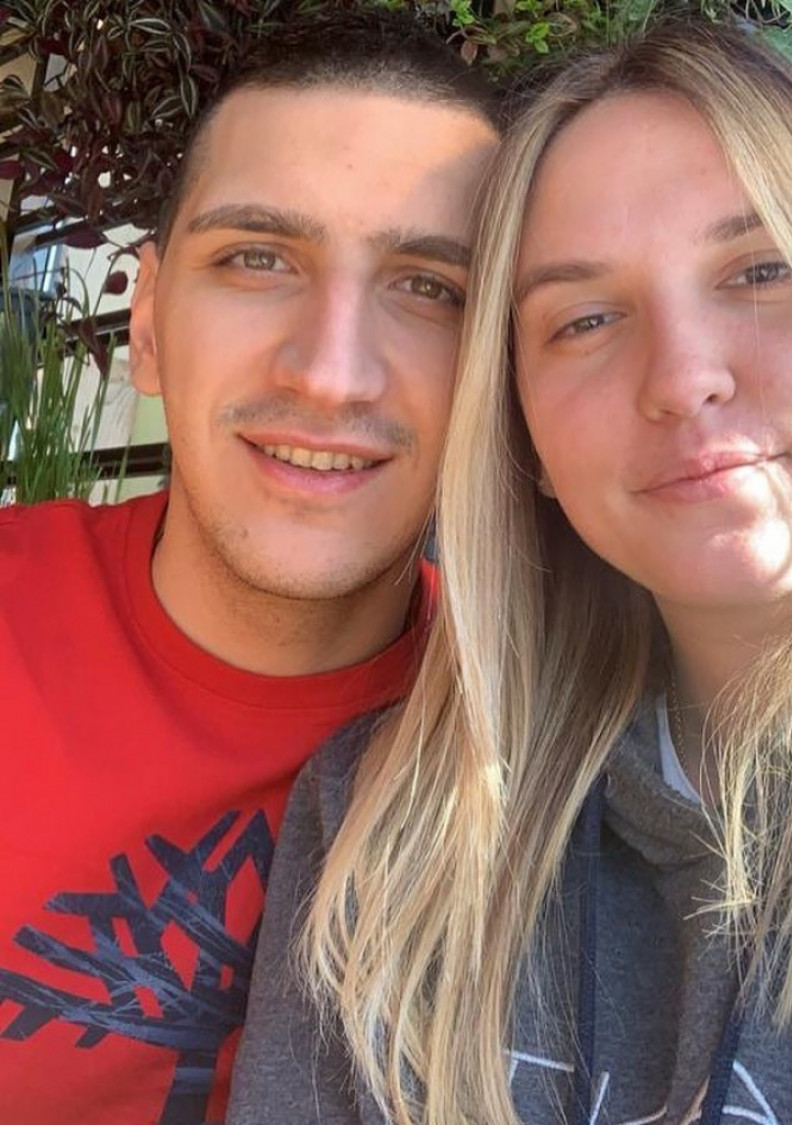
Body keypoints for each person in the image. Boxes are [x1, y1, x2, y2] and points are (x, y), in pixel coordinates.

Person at [227, 18, 792, 1125]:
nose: (682, 377)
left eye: (762, 268)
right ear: (523, 433)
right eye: (584, 319)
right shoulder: (385, 835)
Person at [0, 12, 499, 1124]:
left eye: (431, 287)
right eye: (256, 259)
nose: (331, 374)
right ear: (148, 324)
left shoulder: (548, 750)